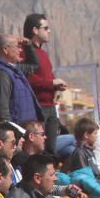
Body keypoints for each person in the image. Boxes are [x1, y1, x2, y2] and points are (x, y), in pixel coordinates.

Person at [23, 13, 65, 154]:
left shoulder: (44, 54)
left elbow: (47, 76)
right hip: (37, 108)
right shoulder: (25, 52)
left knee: (51, 149)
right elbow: (29, 80)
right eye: (46, 28)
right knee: (38, 149)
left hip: (51, 107)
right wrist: (51, 83)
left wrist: (56, 88)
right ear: (35, 30)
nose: (49, 31)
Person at [0, 34, 41, 125]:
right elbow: (2, 111)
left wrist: (28, 45)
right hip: (17, 131)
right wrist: (11, 132)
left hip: (25, 128)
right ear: (5, 49)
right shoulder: (1, 74)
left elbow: (34, 65)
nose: (20, 50)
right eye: (17, 46)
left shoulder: (14, 68)